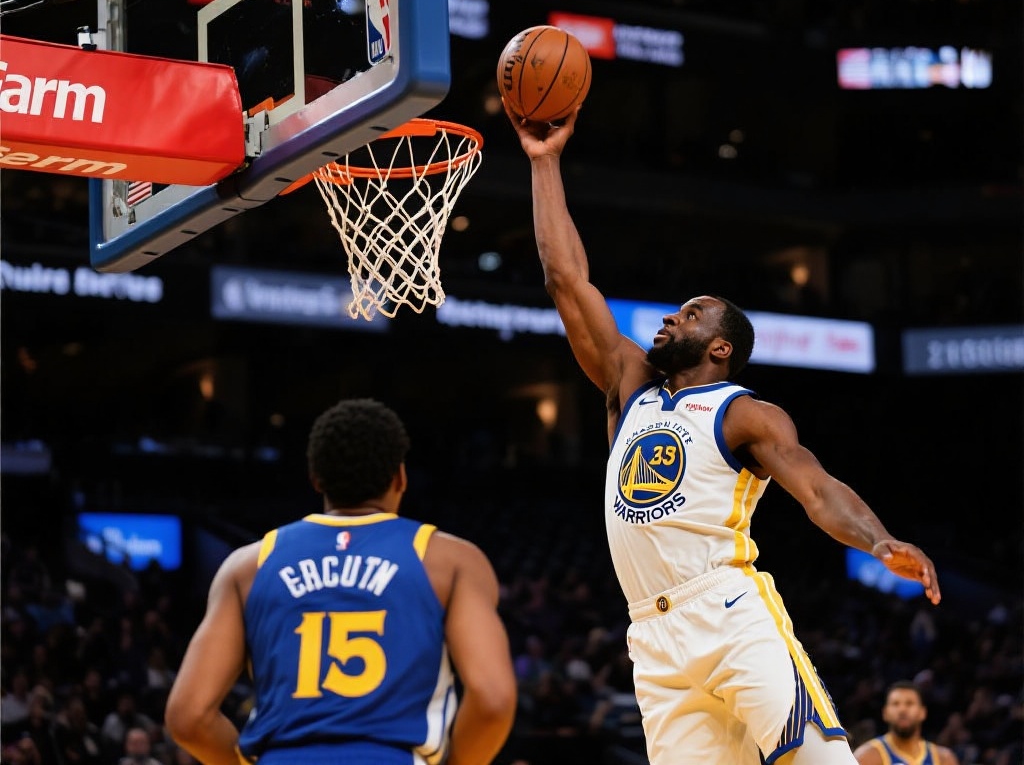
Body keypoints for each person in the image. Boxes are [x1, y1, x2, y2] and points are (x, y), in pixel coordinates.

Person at [504, 103, 943, 765]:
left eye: (691, 314)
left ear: (721, 348)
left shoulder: (745, 413)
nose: (670, 319)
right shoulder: (629, 384)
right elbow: (566, 280)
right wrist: (545, 162)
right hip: (651, 637)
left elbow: (818, 489)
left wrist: (878, 540)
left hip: (728, 612)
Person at [165, 398, 517, 765]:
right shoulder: (451, 561)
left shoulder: (248, 566)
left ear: (316, 479)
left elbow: (188, 719)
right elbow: (493, 701)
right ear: (400, 477)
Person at [853, 680, 960, 765]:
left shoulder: (944, 759)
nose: (902, 710)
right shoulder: (866, 757)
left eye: (909, 703)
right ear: (885, 713)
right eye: (896, 704)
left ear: (922, 712)